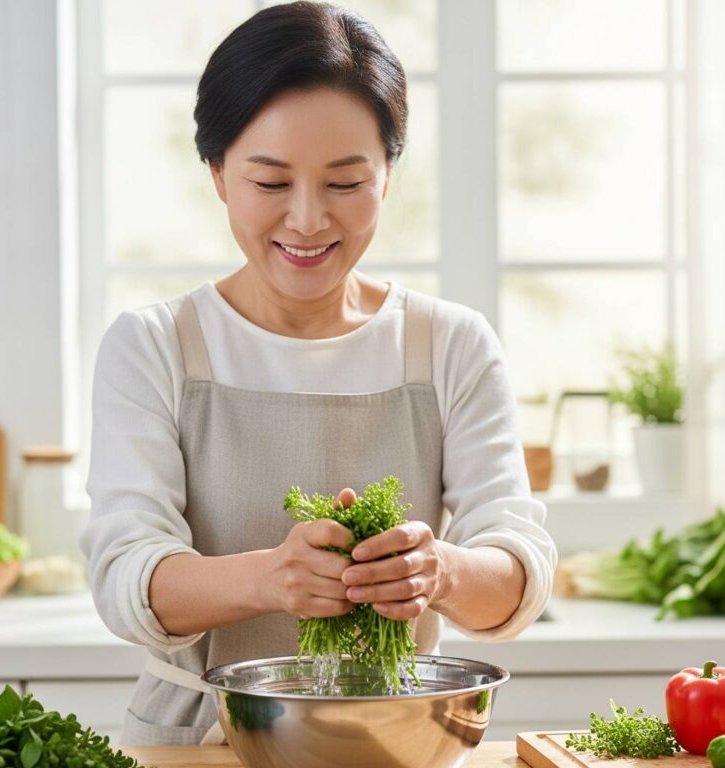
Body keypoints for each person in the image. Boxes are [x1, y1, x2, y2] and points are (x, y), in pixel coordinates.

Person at [80, 0, 557, 746]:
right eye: (271, 183)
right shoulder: (154, 345)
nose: (307, 220)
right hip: (198, 741)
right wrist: (269, 580)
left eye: (344, 183)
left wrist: (439, 572)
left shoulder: (451, 344)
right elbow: (124, 578)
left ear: (389, 174)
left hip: (396, 738)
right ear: (217, 173)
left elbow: (517, 572)